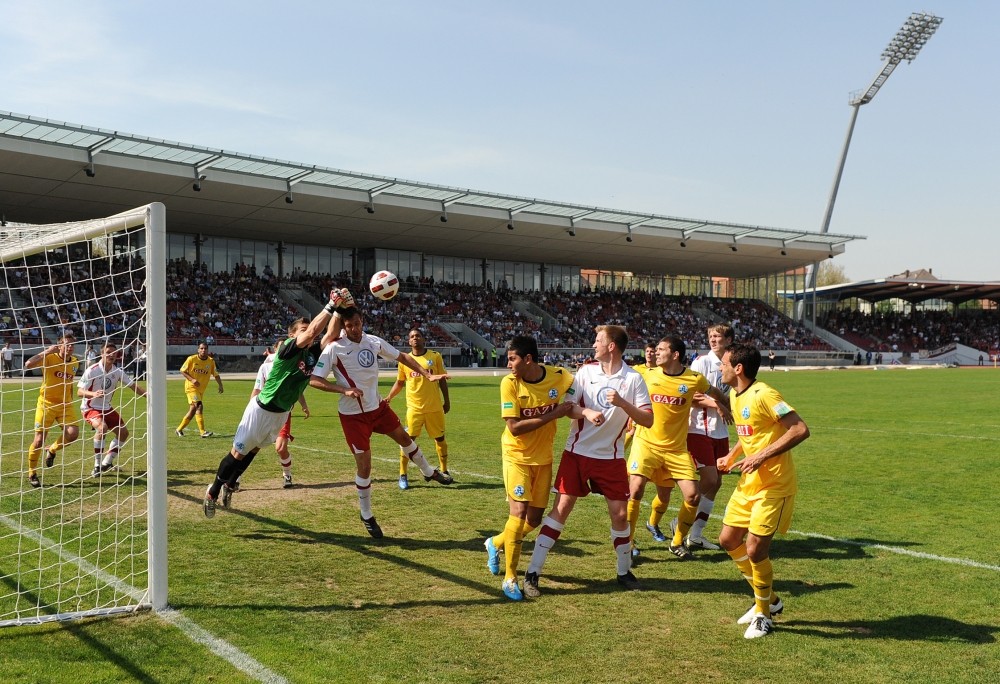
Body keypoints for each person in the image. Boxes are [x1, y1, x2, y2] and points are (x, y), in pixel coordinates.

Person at [522, 324, 653, 597]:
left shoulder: (633, 379)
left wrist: (623, 404)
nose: (593, 344)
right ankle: (533, 572)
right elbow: (569, 408)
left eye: (598, 340)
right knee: (561, 509)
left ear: (611, 346)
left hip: (611, 457)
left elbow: (648, 419)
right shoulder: (585, 372)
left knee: (620, 515)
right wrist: (586, 412)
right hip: (577, 453)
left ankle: (623, 572)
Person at [309, 304, 453, 539]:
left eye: (357, 324)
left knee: (405, 438)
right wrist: (343, 390)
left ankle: (428, 471)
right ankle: (366, 514)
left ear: (362, 322)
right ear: (343, 327)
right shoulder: (334, 348)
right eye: (349, 325)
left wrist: (426, 374)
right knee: (365, 466)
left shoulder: (373, 341)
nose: (354, 329)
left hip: (377, 408)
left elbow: (402, 356)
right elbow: (315, 380)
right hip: (353, 417)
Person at [203, 289, 349, 518]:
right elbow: (313, 332)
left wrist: (340, 310)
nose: (308, 332)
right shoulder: (287, 349)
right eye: (301, 330)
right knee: (237, 453)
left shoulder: (311, 355)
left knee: (254, 450)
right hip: (262, 410)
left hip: (281, 413)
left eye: (307, 329)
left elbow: (330, 335)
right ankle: (212, 492)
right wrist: (331, 305)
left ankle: (230, 485)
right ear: (292, 335)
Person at [717, 343, 810, 639]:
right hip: (749, 483)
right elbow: (749, 434)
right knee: (728, 539)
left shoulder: (765, 394)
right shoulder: (735, 394)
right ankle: (769, 600)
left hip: (774, 485)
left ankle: (763, 614)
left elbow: (799, 429)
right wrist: (732, 455)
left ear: (738, 368)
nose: (720, 368)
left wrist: (760, 456)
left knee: (756, 549)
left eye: (723, 364)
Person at [483, 335, 574, 601]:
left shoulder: (559, 377)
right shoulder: (509, 383)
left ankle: (495, 543)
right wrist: (554, 414)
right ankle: (510, 578)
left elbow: (583, 388)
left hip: (543, 458)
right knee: (518, 513)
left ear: (528, 359)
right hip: (517, 456)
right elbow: (514, 427)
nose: (508, 364)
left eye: (512, 359)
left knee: (533, 520)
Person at [627, 336, 725, 560]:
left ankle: (677, 542)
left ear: (675, 355)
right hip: (646, 443)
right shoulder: (645, 374)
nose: (656, 352)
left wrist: (724, 403)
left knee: (692, 496)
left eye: (661, 349)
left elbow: (713, 391)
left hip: (676, 449)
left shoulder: (694, 379)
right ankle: (628, 542)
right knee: (636, 489)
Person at [665, 323, 735, 551]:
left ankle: (695, 534)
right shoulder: (702, 362)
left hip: (720, 431)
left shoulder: (731, 363)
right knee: (710, 479)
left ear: (729, 340)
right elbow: (691, 395)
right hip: (699, 428)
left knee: (717, 483)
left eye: (718, 336)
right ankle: (680, 523)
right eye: (711, 336)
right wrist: (718, 405)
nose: (713, 339)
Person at [385, 327, 451, 490]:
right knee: (407, 440)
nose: (415, 338)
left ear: (423, 339)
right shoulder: (405, 360)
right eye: (412, 336)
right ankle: (403, 474)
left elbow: (442, 380)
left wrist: (447, 401)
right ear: (409, 341)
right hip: (414, 409)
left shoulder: (435, 356)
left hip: (434, 407)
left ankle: (444, 470)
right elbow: (400, 382)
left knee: (440, 439)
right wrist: (389, 397)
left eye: (418, 335)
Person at [78, 341, 147, 477]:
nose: (111, 355)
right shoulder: (92, 370)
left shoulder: (117, 371)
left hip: (107, 407)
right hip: (90, 407)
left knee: (123, 433)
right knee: (102, 428)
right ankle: (97, 466)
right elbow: (79, 392)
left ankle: (107, 462)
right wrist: (93, 394)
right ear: (102, 354)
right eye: (108, 352)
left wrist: (148, 395)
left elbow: (133, 386)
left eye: (114, 353)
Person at [250, 337, 310, 488]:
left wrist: (304, 405)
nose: (285, 349)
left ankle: (287, 474)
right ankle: (235, 479)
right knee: (251, 445)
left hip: (283, 413)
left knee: (281, 448)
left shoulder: (292, 367)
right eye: (282, 346)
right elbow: (257, 389)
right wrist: (250, 409)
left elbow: (297, 389)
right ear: (276, 349)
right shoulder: (265, 367)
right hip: (263, 412)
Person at [22, 334, 81, 487]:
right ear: (59, 346)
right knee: (39, 440)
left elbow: (69, 384)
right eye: (67, 344)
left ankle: (52, 450)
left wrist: (70, 399)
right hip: (46, 404)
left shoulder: (75, 362)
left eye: (72, 344)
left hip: (65, 405)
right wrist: (47, 351)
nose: (70, 347)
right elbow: (28, 364)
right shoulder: (49, 358)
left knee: (73, 433)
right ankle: (32, 473)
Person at [176, 342, 224, 438]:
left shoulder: (210, 361)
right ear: (198, 350)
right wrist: (192, 380)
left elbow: (216, 374)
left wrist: (220, 385)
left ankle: (179, 429)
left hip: (201, 390)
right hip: (191, 387)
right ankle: (202, 432)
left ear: (207, 350)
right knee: (199, 406)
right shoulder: (191, 359)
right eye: (201, 348)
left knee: (193, 410)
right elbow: (182, 370)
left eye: (205, 348)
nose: (203, 350)